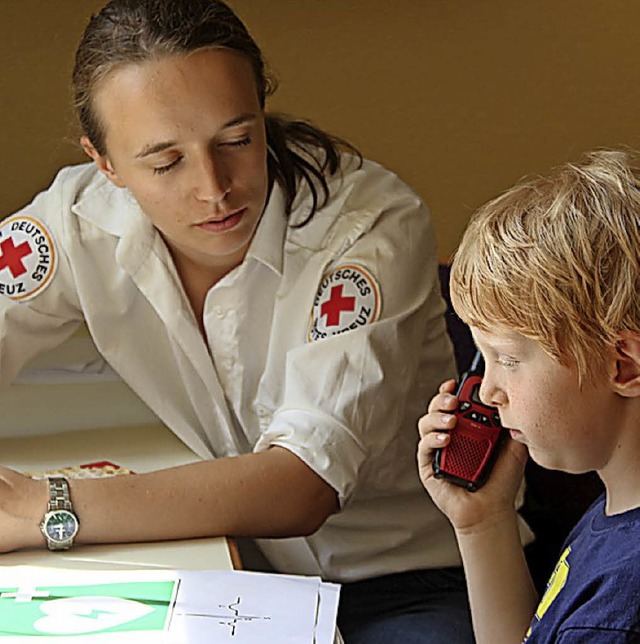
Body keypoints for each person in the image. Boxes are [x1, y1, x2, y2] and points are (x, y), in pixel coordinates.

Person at [0, 0, 475, 640]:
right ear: (104, 163)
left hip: (404, 584)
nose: (214, 187)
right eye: (165, 162)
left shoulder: (370, 227)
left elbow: (302, 483)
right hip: (236, 573)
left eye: (237, 139)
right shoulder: (75, 218)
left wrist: (45, 506)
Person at [417, 149, 640, 642]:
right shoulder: (615, 516)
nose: (490, 390)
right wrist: (483, 522)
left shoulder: (614, 613)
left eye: (509, 359)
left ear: (622, 365)